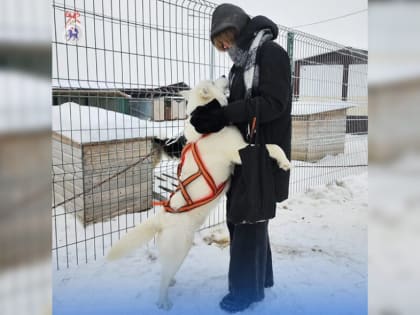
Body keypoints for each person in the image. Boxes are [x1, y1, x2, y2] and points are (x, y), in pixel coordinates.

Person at [189, 3, 292, 313]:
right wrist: (212, 114)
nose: (222, 47)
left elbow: (275, 103)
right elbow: (236, 106)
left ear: (236, 27)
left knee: (246, 218)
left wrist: (226, 114)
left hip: (263, 151)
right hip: (243, 150)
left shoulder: (270, 53)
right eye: (217, 43)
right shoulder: (239, 66)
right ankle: (263, 278)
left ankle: (245, 292)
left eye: (223, 38)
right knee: (250, 217)